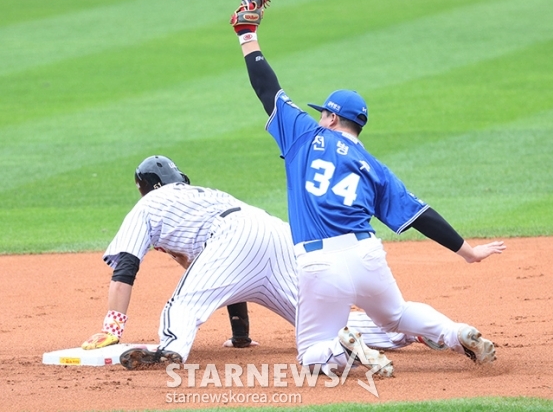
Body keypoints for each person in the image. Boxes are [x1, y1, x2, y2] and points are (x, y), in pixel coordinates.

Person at [230, 0, 506, 376]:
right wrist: (468, 251)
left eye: (320, 111)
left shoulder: (306, 135)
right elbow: (421, 216)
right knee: (395, 315)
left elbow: (266, 88)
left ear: (329, 117)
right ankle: (456, 332)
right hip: (366, 255)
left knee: (310, 352)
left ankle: (345, 346)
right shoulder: (375, 168)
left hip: (319, 264)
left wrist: (246, 33)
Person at [82, 155, 430, 370]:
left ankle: (170, 350)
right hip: (267, 229)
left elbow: (125, 267)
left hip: (230, 236)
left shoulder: (147, 206)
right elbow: (229, 277)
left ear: (145, 188)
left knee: (181, 307)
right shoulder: (202, 195)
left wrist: (112, 330)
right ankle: (406, 331)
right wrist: (240, 337)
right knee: (314, 324)